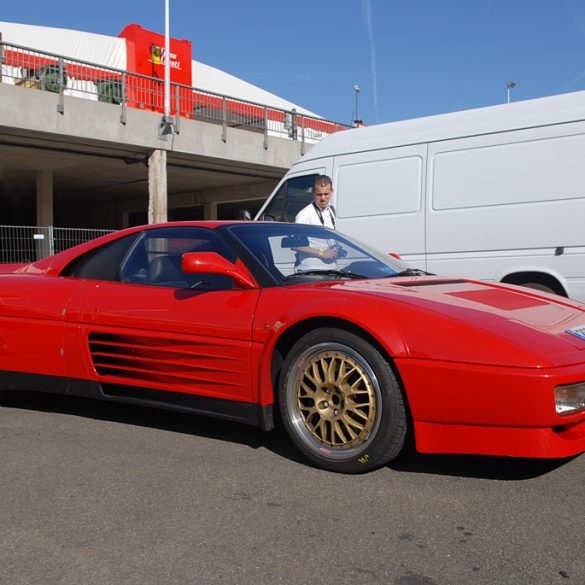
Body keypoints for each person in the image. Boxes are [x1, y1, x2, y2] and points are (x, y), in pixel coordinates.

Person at [294, 175, 338, 272]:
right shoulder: (304, 214)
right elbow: (295, 245)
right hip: (311, 271)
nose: (323, 198)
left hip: (331, 269)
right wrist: (321, 253)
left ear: (332, 192)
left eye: (326, 194)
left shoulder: (331, 211)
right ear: (313, 193)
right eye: (319, 194)